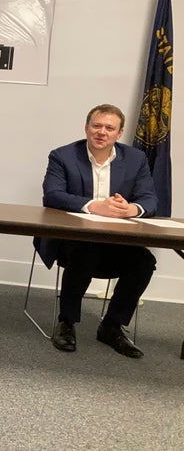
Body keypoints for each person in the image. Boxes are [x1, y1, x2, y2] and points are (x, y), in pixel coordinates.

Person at [38, 104, 157, 358]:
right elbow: (53, 195)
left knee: (144, 261)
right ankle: (67, 321)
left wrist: (131, 209)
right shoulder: (63, 156)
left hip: (116, 242)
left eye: (109, 128)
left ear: (119, 132)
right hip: (73, 241)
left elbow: (150, 200)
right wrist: (95, 206)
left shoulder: (136, 159)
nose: (102, 132)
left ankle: (112, 326)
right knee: (86, 250)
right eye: (97, 126)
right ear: (86, 128)